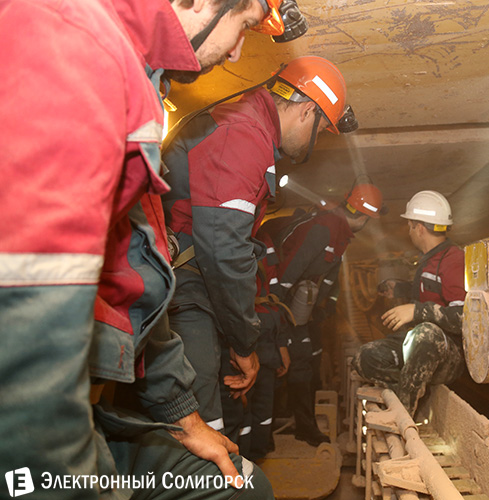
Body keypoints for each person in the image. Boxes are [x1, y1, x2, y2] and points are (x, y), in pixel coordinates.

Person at [0, 0, 288, 498]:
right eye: (243, 26)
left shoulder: (134, 79)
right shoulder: (75, 43)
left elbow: (136, 274)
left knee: (243, 485)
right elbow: (28, 314)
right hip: (30, 413)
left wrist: (183, 417)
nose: (237, 52)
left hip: (72, 396)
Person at [161, 56, 357, 449]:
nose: (317, 140)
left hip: (195, 284)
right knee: (203, 429)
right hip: (185, 284)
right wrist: (244, 343)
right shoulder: (244, 135)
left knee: (219, 420)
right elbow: (224, 250)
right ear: (307, 111)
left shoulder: (248, 127)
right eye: (321, 129)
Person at [257, 183, 384, 447]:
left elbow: (326, 279)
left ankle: (301, 425)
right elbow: (286, 276)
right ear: (364, 217)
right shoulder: (322, 230)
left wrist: (319, 310)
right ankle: (270, 433)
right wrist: (279, 323)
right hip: (279, 306)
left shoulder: (339, 234)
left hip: (298, 308)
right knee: (282, 364)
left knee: (302, 363)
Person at [353, 191, 466, 417]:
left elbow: (462, 317)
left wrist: (416, 311)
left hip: (446, 354)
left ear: (420, 228)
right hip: (418, 349)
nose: (409, 231)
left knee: (426, 333)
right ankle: (412, 386)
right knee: (364, 358)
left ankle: (402, 411)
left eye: (410, 226)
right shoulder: (428, 259)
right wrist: (401, 289)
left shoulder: (454, 259)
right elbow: (432, 291)